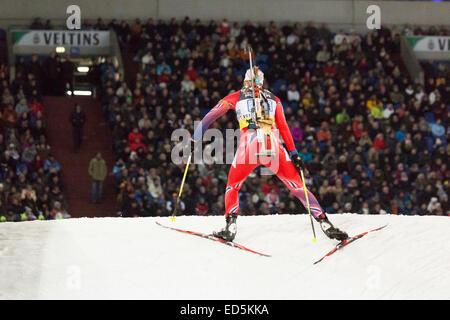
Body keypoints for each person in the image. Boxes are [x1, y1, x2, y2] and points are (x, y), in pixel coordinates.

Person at [192, 66, 348, 242]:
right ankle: (324, 222)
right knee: (297, 186)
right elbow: (284, 128)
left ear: (245, 81)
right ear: (262, 82)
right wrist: (294, 154)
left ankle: (231, 226)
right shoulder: (275, 99)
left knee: (233, 185)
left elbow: (210, 117)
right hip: (273, 146)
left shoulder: (234, 97)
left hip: (249, 147)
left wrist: (194, 139)